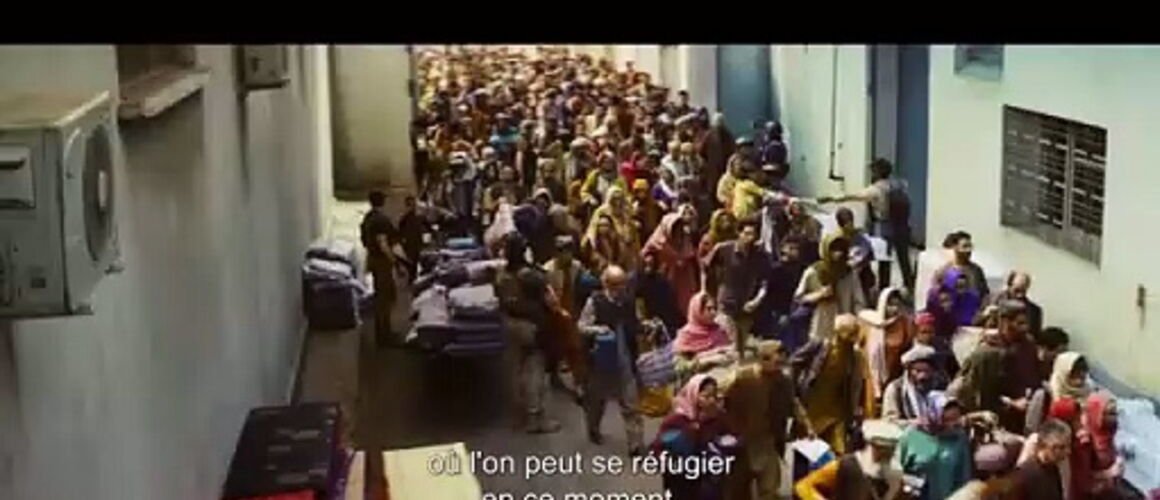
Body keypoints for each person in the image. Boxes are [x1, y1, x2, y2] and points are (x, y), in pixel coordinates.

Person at [724, 340, 814, 500]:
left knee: (769, 489)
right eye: (774, 360)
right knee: (738, 490)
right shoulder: (742, 378)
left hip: (768, 442)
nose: (778, 365)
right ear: (762, 358)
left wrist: (807, 425)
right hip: (742, 443)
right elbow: (722, 400)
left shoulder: (783, 382)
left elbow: (793, 404)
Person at [493, 233, 562, 434]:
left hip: (509, 324)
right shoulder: (531, 276)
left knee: (517, 370)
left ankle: (520, 412)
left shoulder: (501, 275)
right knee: (535, 371)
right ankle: (535, 418)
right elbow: (552, 301)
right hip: (531, 327)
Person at [817, 158, 915, 292]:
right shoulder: (899, 184)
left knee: (884, 259)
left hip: (885, 226)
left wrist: (831, 198)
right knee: (904, 258)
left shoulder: (875, 189)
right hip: (902, 225)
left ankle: (884, 288)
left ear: (876, 172)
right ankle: (909, 286)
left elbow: (854, 196)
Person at [577, 265, 645, 454]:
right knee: (597, 401)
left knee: (631, 404)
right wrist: (598, 330)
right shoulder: (595, 301)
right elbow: (582, 325)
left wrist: (644, 328)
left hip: (625, 359)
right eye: (615, 285)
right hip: (602, 361)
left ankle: (635, 443)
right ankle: (593, 428)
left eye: (622, 284)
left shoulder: (629, 302)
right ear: (606, 284)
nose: (620, 289)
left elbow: (636, 323)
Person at [792, 314, 875, 455]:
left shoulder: (854, 356)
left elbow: (858, 384)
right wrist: (795, 390)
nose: (852, 339)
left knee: (837, 453)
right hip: (812, 410)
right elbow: (794, 362)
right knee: (807, 453)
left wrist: (858, 409)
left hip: (837, 413)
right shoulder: (820, 347)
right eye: (850, 334)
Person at [651, 374, 732, 500]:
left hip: (709, 483)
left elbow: (733, 437)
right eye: (706, 396)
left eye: (714, 396)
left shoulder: (718, 418)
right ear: (693, 394)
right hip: (681, 483)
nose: (711, 401)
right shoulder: (676, 420)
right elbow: (658, 449)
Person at [793, 419, 905, 500]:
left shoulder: (895, 475)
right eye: (880, 449)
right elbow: (803, 487)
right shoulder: (845, 466)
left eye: (889, 450)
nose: (885, 455)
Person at [705, 219, 772, 353]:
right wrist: (708, 294)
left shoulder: (760, 255)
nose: (750, 238)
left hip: (747, 305)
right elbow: (706, 270)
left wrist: (757, 300)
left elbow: (765, 282)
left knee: (741, 344)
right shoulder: (723, 249)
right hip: (726, 303)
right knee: (728, 342)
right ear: (739, 233)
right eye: (746, 234)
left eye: (753, 235)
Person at [896, 391, 972, 500]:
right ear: (933, 415)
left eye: (956, 419)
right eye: (947, 420)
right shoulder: (912, 435)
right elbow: (895, 471)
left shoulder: (959, 439)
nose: (953, 424)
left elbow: (964, 477)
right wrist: (915, 483)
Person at [795, 234, 867, 342]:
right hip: (820, 323)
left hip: (844, 326)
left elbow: (859, 300)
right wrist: (819, 294)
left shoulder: (849, 273)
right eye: (833, 249)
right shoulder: (814, 272)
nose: (838, 254)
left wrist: (858, 320)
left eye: (841, 249)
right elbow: (799, 298)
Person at [642, 209, 701, 319]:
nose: (677, 230)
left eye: (679, 227)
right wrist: (650, 263)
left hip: (684, 280)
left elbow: (694, 256)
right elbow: (645, 255)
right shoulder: (657, 241)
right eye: (675, 227)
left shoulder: (686, 239)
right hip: (663, 280)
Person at [360, 190, 399, 347]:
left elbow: (364, 239)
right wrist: (394, 260)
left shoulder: (368, 218)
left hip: (373, 259)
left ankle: (382, 333)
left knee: (380, 296)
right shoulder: (381, 220)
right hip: (382, 261)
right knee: (385, 298)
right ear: (383, 202)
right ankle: (384, 335)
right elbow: (383, 243)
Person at [1025, 351, 1093, 437]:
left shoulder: (1090, 391)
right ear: (1063, 373)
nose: (1079, 379)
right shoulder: (1045, 395)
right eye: (1074, 374)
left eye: (1082, 373)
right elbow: (1031, 428)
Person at [862, 287, 914, 397]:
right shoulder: (871, 324)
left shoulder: (905, 324)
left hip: (895, 376)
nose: (894, 309)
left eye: (897, 305)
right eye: (890, 305)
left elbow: (909, 347)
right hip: (872, 377)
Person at [672, 292, 733, 384]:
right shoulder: (686, 335)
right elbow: (679, 368)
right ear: (697, 311)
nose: (713, 313)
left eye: (714, 308)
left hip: (724, 378)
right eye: (709, 309)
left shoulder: (718, 329)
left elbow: (728, 349)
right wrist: (707, 360)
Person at [881, 344, 944, 428]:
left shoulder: (939, 386)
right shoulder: (895, 389)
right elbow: (889, 421)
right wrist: (912, 423)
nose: (923, 376)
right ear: (909, 370)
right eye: (918, 371)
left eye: (927, 371)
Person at [1010, 419, 1072, 500]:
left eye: (1068, 446)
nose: (1068, 451)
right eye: (1061, 447)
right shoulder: (1024, 476)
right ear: (1044, 445)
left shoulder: (1052, 469)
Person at [974, 271, 1044, 337]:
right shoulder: (991, 299)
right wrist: (985, 314)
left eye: (1024, 291)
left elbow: (1036, 337)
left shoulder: (1034, 311)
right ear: (1009, 286)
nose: (1020, 295)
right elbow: (974, 322)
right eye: (1017, 290)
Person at [1086, 392, 1126, 499]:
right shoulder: (1086, 441)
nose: (1115, 418)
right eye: (1110, 413)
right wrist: (1109, 473)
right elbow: (1081, 476)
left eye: (1116, 413)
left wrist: (1118, 461)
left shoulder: (1108, 435)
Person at [833, 207, 878, 304]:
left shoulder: (859, 236)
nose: (850, 226)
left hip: (861, 273)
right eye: (846, 224)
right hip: (845, 274)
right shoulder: (836, 239)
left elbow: (867, 253)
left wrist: (857, 261)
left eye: (850, 222)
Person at [933, 231, 990, 299]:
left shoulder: (976, 271)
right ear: (955, 248)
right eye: (965, 247)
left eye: (970, 246)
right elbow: (935, 297)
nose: (968, 250)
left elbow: (985, 294)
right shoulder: (943, 272)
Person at [637, 249, 684, 333]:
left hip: (664, 321)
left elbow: (670, 303)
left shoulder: (662, 281)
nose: (648, 268)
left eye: (651, 264)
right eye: (646, 264)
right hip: (647, 321)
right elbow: (638, 304)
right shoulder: (637, 282)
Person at [396, 195, 428, 283]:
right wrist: (402, 242)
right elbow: (400, 232)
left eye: (413, 204)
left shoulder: (420, 217)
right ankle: (412, 280)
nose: (412, 206)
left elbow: (427, 228)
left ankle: (420, 279)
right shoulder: (404, 218)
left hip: (419, 243)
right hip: (410, 244)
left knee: (423, 262)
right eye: (410, 204)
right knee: (411, 264)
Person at [780, 199, 822, 264]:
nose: (796, 212)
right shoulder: (791, 222)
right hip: (795, 255)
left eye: (798, 209)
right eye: (793, 209)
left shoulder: (811, 222)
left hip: (809, 254)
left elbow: (814, 240)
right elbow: (786, 239)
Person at [632, 178, 664, 242]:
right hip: (641, 237)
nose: (641, 194)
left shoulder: (655, 205)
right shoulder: (634, 206)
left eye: (643, 191)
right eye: (638, 192)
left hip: (655, 236)